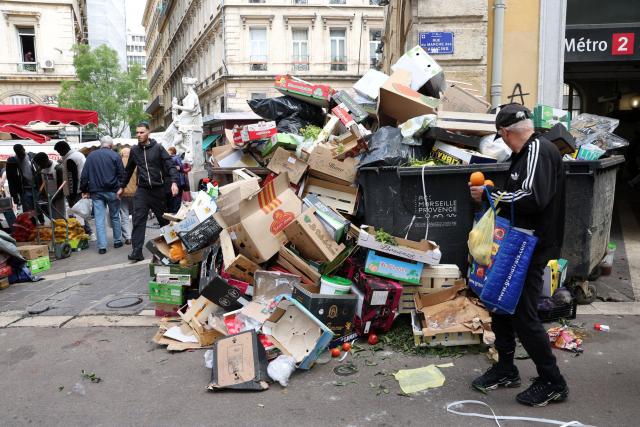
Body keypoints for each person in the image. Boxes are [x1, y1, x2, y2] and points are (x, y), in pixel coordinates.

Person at [469, 104, 568, 407]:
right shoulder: (524, 155)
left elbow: (531, 198)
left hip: (531, 247)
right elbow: (522, 193)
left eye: (502, 136)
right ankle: (506, 368)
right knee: (499, 304)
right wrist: (494, 193)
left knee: (524, 315)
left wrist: (489, 194)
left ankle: (553, 381)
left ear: (507, 132)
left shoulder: (538, 148)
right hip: (517, 244)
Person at [120, 122, 178, 262]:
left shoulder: (158, 148)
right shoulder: (134, 150)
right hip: (142, 191)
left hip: (158, 190)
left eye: (142, 132)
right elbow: (128, 170)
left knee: (164, 221)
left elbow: (170, 165)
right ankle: (137, 251)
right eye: (137, 133)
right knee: (138, 219)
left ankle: (174, 247)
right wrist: (122, 186)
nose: (139, 135)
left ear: (148, 132)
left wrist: (174, 182)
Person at [80, 136, 124, 255]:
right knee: (115, 216)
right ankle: (117, 240)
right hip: (113, 191)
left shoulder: (91, 156)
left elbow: (84, 175)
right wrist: (121, 187)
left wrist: (84, 189)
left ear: (101, 144)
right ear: (111, 145)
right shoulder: (115, 156)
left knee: (99, 219)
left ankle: (102, 246)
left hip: (96, 192)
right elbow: (121, 174)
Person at [54, 140, 93, 238]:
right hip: (82, 188)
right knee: (81, 213)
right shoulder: (78, 155)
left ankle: (87, 233)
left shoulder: (70, 159)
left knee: (78, 214)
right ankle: (86, 233)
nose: (59, 153)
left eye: (59, 151)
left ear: (64, 149)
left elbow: (72, 179)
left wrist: (72, 196)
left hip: (76, 191)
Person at [6, 144, 39, 213]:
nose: (21, 155)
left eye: (22, 153)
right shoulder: (12, 162)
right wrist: (14, 196)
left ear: (24, 150)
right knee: (28, 210)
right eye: (19, 154)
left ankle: (41, 221)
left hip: (35, 187)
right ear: (16, 153)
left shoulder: (31, 157)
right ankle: (31, 223)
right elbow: (11, 180)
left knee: (39, 207)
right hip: (24, 189)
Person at [33, 152, 65, 219]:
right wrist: (43, 195)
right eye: (38, 164)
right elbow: (40, 183)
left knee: (60, 217)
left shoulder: (57, 168)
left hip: (58, 197)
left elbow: (62, 187)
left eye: (41, 164)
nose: (40, 166)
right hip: (48, 196)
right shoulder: (41, 169)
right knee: (52, 217)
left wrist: (54, 198)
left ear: (46, 160)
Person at [119, 147, 136, 245]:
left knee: (124, 214)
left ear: (121, 154)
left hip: (123, 192)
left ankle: (128, 237)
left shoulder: (119, 162)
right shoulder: (135, 163)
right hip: (135, 192)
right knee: (135, 214)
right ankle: (135, 234)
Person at [166, 147, 185, 214]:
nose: (167, 151)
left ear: (172, 151)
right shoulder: (171, 158)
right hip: (175, 180)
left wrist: (174, 168)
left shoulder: (175, 158)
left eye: (168, 150)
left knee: (177, 197)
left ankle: (175, 212)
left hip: (178, 180)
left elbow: (181, 167)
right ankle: (175, 212)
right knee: (175, 197)